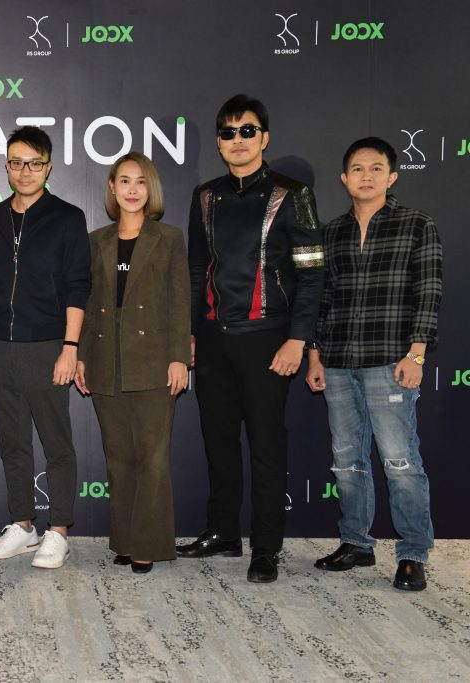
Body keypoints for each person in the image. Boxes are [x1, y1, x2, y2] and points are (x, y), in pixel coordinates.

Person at [177, 94, 324, 583]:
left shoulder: (292, 194)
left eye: (247, 131)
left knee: (266, 446)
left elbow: (312, 276)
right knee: (218, 441)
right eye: (228, 132)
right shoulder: (204, 195)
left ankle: (266, 547)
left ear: (264, 138)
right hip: (213, 340)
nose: (237, 140)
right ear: (219, 143)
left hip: (268, 339)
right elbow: (197, 270)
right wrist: (191, 333)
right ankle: (223, 531)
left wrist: (297, 340)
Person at [306, 137, 442, 591]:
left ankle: (413, 553)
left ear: (392, 176)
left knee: (400, 461)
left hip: (391, 361)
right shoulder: (331, 233)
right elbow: (321, 300)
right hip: (339, 362)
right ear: (344, 178)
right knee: (347, 461)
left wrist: (417, 353)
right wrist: (314, 355)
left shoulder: (417, 225)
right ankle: (356, 543)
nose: (367, 176)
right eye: (358, 169)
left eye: (376, 168)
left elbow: (428, 292)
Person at [0, 126, 90, 569]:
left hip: (48, 346)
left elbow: (79, 286)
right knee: (13, 442)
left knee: (56, 442)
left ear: (49, 166)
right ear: (6, 166)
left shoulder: (67, 217)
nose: (25, 171)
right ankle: (22, 525)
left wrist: (70, 347)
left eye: (34, 163)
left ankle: (58, 530)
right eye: (16, 162)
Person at [73, 152, 190, 573]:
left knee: (152, 458)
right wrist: (82, 356)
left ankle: (148, 544)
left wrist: (179, 358)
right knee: (118, 457)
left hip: (154, 361)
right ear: (112, 187)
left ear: (151, 188)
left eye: (141, 181)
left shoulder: (169, 238)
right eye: (124, 181)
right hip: (106, 360)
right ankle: (124, 540)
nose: (133, 189)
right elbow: (88, 304)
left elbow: (179, 302)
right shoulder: (96, 240)